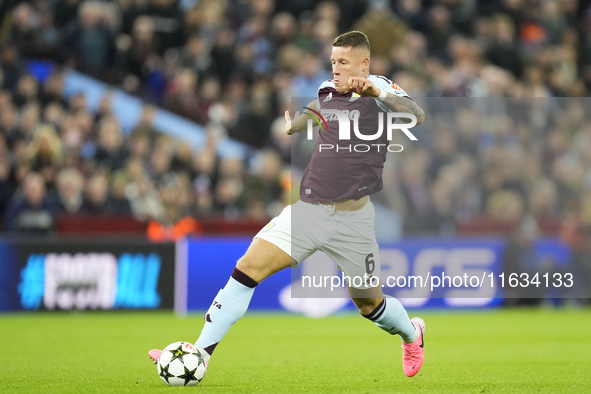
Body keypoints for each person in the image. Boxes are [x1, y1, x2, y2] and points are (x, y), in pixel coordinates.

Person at [149, 31, 427, 378]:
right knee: (247, 268)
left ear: (364, 63)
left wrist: (377, 92)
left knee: (370, 305)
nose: (336, 69)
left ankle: (412, 334)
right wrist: (296, 124)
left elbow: (416, 115)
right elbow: (318, 107)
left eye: (343, 62)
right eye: (333, 62)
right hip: (309, 212)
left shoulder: (382, 90)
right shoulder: (329, 88)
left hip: (352, 220)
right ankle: (201, 355)